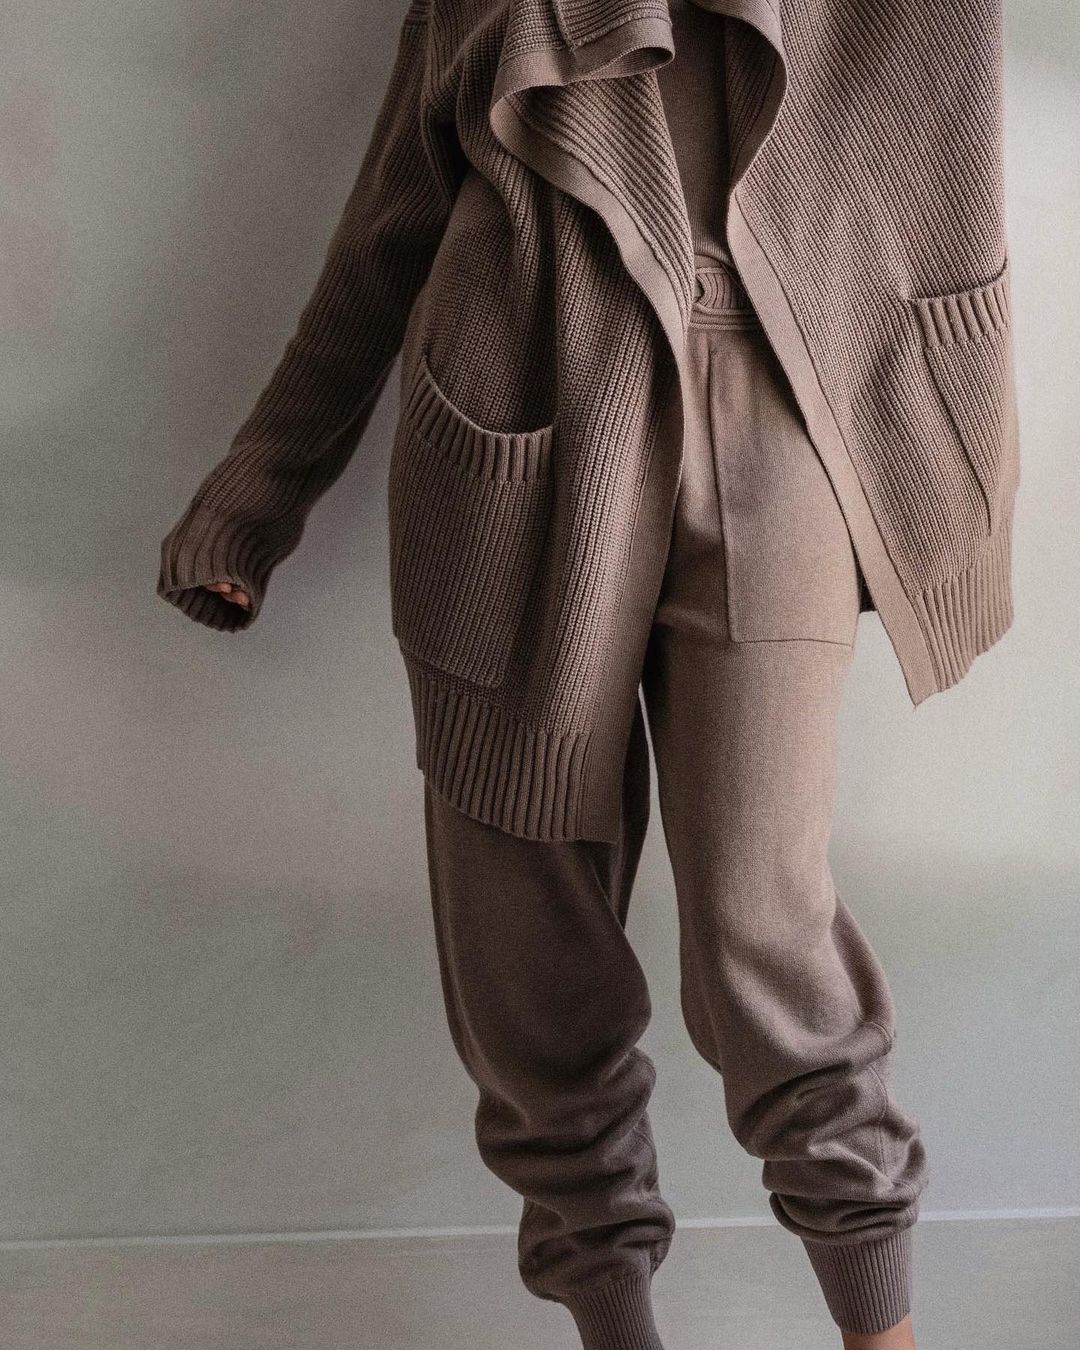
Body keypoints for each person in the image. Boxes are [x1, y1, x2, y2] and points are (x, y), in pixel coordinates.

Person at [156, 3, 1021, 1348]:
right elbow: (392, 220)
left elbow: (947, 165)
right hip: (518, 413)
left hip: (788, 412)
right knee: (528, 938)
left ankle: (880, 1325)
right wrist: (256, 494)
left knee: (764, 921)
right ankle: (614, 1322)